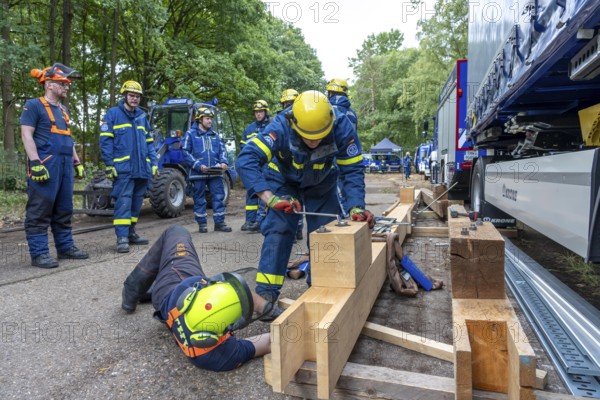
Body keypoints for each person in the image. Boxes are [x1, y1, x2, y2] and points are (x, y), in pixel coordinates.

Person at [236, 90, 374, 302]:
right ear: (294, 123)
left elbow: (352, 170)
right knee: (279, 229)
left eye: (320, 137)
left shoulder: (342, 125)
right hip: (283, 180)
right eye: (308, 138)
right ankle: (266, 296)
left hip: (322, 183)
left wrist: (356, 206)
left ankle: (321, 290)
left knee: (325, 233)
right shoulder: (280, 125)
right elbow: (246, 160)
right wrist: (270, 198)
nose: (314, 142)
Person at [121, 225, 279, 371]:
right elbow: (271, 342)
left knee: (176, 232)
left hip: (169, 289)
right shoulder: (221, 355)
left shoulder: (186, 288)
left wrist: (264, 308)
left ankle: (132, 288)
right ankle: (147, 287)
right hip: (162, 301)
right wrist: (271, 311)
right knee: (169, 257)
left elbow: (231, 285)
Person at [21, 63, 89, 268]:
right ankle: (39, 253)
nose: (67, 87)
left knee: (64, 209)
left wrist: (76, 161)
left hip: (65, 165)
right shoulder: (33, 106)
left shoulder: (64, 110)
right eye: (63, 83)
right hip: (45, 164)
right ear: (49, 84)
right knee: (40, 210)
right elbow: (26, 134)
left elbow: (68, 137)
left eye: (67, 84)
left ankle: (65, 247)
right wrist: (35, 162)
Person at [100, 80, 158, 253]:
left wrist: (153, 163)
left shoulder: (142, 117)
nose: (134, 99)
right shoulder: (113, 114)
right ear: (124, 96)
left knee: (136, 204)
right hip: (124, 169)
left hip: (141, 170)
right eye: (132, 96)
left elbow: (149, 143)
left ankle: (131, 233)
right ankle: (122, 238)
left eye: (137, 96)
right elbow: (105, 142)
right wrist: (109, 164)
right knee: (123, 203)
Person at [182, 107, 232, 233]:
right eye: (208, 118)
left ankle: (219, 223)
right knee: (199, 198)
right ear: (200, 120)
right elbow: (185, 152)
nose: (210, 121)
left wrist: (223, 162)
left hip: (215, 173)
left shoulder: (215, 136)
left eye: (211, 119)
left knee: (219, 197)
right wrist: (198, 165)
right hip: (198, 173)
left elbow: (222, 151)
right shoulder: (190, 134)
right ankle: (202, 225)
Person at [326, 78, 357, 216]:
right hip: (350, 155)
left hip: (333, 157)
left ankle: (347, 222)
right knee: (350, 189)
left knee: (337, 195)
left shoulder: (329, 110)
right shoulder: (352, 113)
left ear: (330, 93)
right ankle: (354, 214)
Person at [240, 100, 271, 232]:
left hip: (267, 165)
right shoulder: (249, 128)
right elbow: (243, 146)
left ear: (266, 112)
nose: (258, 114)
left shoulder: (271, 126)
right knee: (252, 192)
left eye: (261, 112)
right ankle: (250, 220)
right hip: (254, 166)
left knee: (264, 191)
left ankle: (260, 220)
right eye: (256, 112)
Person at [278, 89, 304, 241]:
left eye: (291, 104)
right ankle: (293, 231)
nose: (288, 107)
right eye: (286, 104)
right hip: (285, 172)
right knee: (289, 202)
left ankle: (298, 230)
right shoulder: (279, 123)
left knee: (299, 202)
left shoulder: (305, 122)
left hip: (301, 172)